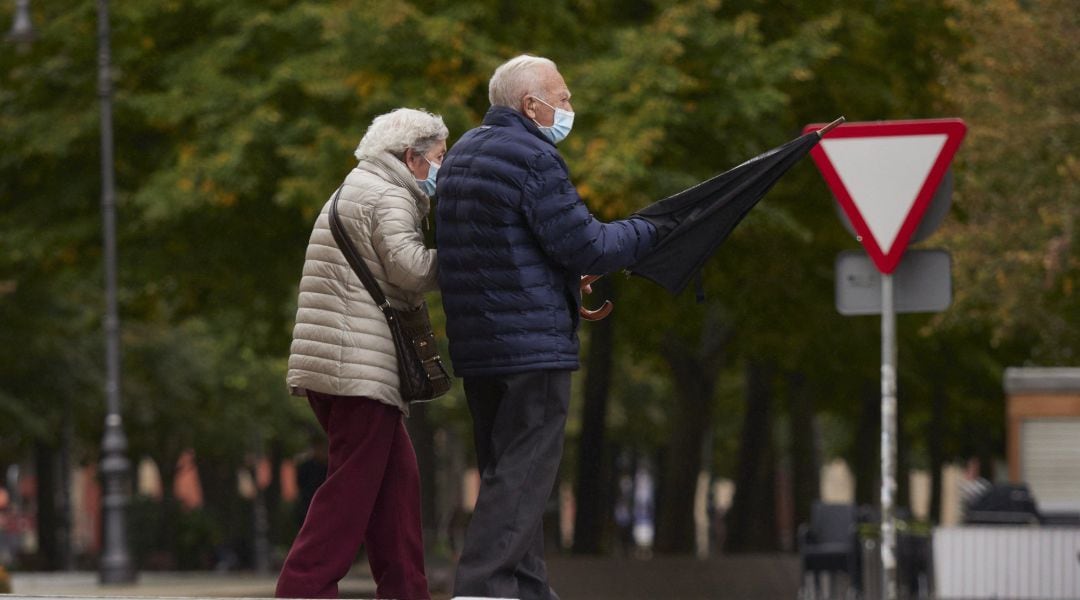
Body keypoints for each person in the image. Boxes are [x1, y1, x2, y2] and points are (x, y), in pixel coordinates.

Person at [436, 55, 657, 600]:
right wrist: (651, 230)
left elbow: (501, 248)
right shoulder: (535, 157)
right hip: (531, 346)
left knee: (508, 475)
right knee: (525, 476)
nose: (569, 108)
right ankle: (481, 588)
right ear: (530, 105)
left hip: (478, 345)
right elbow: (589, 245)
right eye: (562, 98)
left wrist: (559, 279)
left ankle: (530, 591)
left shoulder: (462, 153)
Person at [277, 108, 447, 600]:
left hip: (339, 364)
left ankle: (406, 592)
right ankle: (303, 590)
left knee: (395, 491)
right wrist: (466, 255)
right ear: (410, 157)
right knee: (349, 494)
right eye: (438, 158)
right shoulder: (388, 195)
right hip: (357, 369)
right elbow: (411, 270)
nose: (441, 168)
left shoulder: (358, 186)